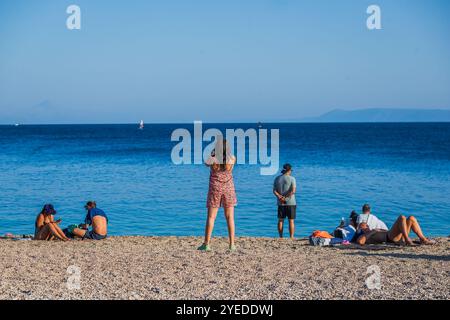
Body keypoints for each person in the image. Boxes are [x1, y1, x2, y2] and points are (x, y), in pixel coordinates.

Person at [198, 137, 237, 251]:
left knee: (211, 217)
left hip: (215, 188)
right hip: (229, 188)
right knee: (230, 217)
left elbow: (206, 163)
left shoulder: (212, 158)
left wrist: (213, 152)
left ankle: (206, 244)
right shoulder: (232, 158)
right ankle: (232, 244)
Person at [356, 215, 434, 245]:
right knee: (402, 218)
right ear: (361, 229)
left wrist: (377, 230)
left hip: (396, 236)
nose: (366, 227)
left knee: (411, 218)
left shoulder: (374, 229)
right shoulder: (364, 235)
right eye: (363, 227)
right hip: (390, 238)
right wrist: (372, 232)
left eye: (366, 226)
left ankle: (423, 239)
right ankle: (407, 239)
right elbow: (360, 242)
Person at [273, 163, 297, 239]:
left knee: (280, 220)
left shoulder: (277, 178)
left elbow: (274, 191)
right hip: (291, 202)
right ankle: (291, 237)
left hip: (280, 203)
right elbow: (293, 191)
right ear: (289, 170)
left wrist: (280, 197)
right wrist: (285, 197)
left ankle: (281, 237)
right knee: (291, 221)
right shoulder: (292, 178)